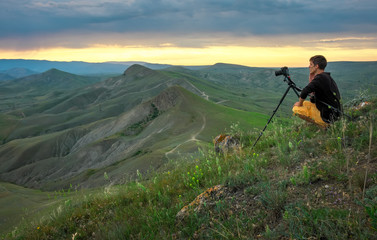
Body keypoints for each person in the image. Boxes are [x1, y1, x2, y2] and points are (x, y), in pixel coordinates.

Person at [292, 55, 341, 128]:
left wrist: (300, 103)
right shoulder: (325, 76)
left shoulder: (320, 78)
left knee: (296, 109)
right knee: (305, 103)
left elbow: (305, 91)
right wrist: (311, 80)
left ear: (316, 66)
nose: (309, 66)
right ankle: (323, 123)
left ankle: (323, 126)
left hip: (328, 116)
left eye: (311, 64)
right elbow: (313, 101)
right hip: (334, 112)